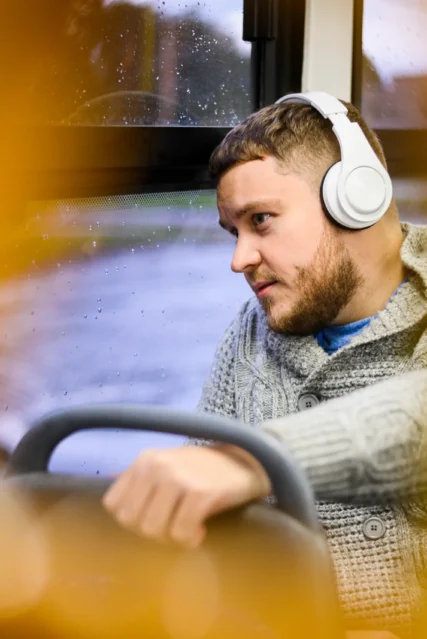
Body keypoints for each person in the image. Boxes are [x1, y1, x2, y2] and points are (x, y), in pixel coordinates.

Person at [103, 92, 427, 636]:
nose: (239, 260)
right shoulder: (251, 333)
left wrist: (258, 462)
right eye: (234, 232)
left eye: (261, 221)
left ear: (358, 199)